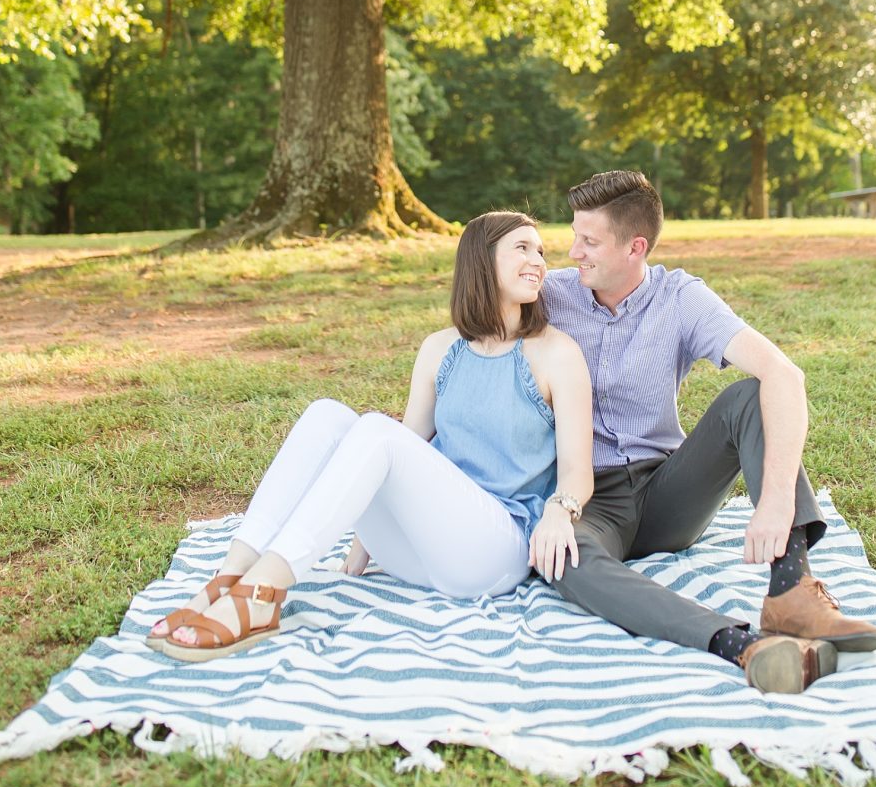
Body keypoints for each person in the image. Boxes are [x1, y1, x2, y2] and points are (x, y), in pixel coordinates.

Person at [148, 211, 592, 662]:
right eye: (522, 247)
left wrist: (560, 511)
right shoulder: (440, 348)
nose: (538, 260)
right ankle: (228, 579)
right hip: (416, 555)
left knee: (379, 430)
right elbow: (409, 448)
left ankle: (264, 594)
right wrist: (365, 532)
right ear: (481, 258)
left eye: (541, 250)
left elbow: (577, 470)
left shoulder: (556, 353)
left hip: (493, 555)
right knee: (326, 416)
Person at [540, 170, 876, 695]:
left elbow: (783, 374)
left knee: (748, 396)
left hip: (667, 494)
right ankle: (741, 645)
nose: (572, 252)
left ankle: (791, 591)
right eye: (573, 235)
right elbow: (473, 333)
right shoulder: (549, 296)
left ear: (635, 248)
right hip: (587, 498)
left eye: (588, 241)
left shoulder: (679, 298)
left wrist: (773, 501)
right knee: (561, 558)